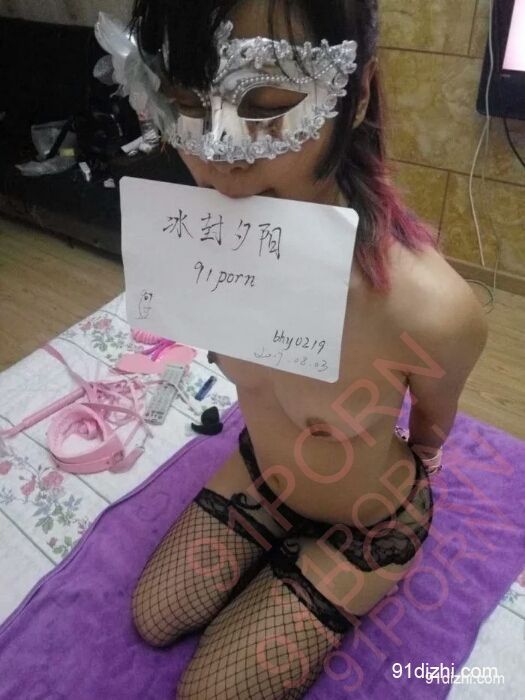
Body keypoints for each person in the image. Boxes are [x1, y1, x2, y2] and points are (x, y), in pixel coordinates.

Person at [99, 1, 489, 697]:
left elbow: (431, 430)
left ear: (357, 95)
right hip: (265, 472)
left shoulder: (433, 310)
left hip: (368, 514)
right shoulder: (201, 255)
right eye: (185, 103)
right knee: (152, 617)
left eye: (268, 105)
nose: (218, 157)